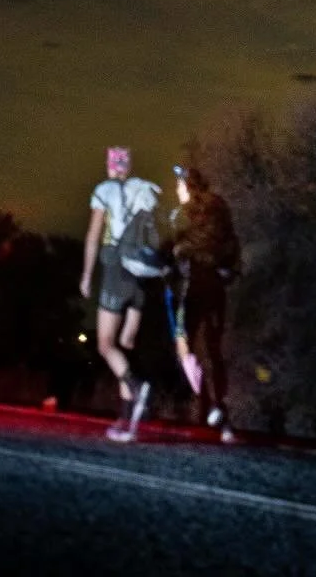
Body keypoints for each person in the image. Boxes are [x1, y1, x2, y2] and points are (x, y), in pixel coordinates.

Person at [80, 145, 160, 441]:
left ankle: (137, 390)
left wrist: (87, 275)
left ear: (110, 166)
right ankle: (126, 421)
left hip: (115, 268)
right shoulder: (144, 190)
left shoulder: (104, 190)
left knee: (105, 344)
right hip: (141, 273)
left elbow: (92, 236)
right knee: (125, 344)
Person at [167, 163, 239, 442]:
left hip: (199, 281)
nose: (176, 190)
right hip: (216, 284)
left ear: (188, 185)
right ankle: (215, 409)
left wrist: (175, 251)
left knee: (183, 336)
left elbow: (190, 243)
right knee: (212, 346)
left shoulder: (191, 211)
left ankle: (209, 403)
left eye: (179, 185)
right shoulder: (220, 207)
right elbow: (229, 243)